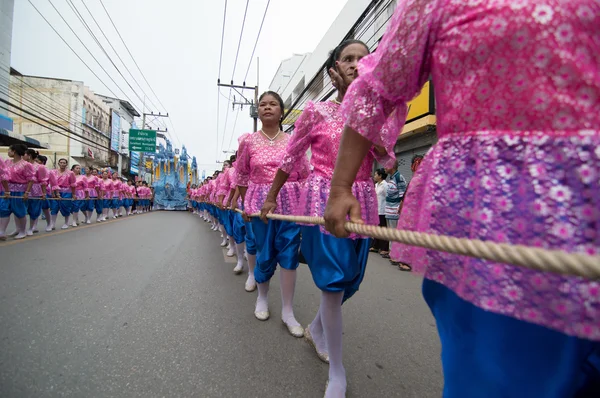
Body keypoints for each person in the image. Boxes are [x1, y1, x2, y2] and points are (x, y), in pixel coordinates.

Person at [323, 1, 600, 397]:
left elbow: (383, 148)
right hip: (495, 214)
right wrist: (339, 188)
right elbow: (375, 92)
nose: (354, 63)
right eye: (346, 58)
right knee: (505, 379)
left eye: (358, 57)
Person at [236, 90, 309, 337]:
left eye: (273, 104)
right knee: (264, 251)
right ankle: (263, 298)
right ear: (258, 111)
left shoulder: (293, 140)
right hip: (258, 204)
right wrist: (246, 204)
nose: (267, 107)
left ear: (281, 110)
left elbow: (304, 173)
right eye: (263, 104)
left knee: (289, 253)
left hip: (289, 202)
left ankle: (288, 311)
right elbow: (242, 174)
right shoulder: (248, 141)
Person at [0, 144, 35, 240]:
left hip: (19, 190)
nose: (8, 152)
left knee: (20, 211)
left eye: (9, 150)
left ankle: (22, 231)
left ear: (14, 151)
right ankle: (2, 231)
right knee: (4, 209)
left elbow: (31, 179)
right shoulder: (7, 162)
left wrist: (27, 192)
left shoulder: (26, 165)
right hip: (6, 189)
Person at [23, 149, 48, 235]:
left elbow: (43, 181)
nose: (23, 156)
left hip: (35, 189)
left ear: (29, 155)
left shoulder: (40, 167)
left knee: (34, 209)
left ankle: (32, 227)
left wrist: (44, 193)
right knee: (22, 209)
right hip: (24, 188)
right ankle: (20, 228)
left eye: (24, 154)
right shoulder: (23, 165)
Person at [49, 158, 76, 230]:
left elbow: (73, 184)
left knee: (66, 207)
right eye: (61, 162)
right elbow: (52, 183)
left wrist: (73, 194)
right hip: (56, 191)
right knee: (54, 207)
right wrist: (52, 191)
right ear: (58, 163)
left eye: (64, 163)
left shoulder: (70, 173)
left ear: (66, 164)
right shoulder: (53, 172)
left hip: (67, 192)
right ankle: (53, 224)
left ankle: (66, 223)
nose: (62, 164)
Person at [371, 168, 389, 255]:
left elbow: (387, 197)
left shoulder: (385, 185)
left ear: (380, 176)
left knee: (383, 229)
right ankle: (375, 246)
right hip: (377, 210)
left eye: (375, 174)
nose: (374, 176)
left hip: (383, 210)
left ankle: (385, 248)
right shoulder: (376, 185)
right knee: (377, 228)